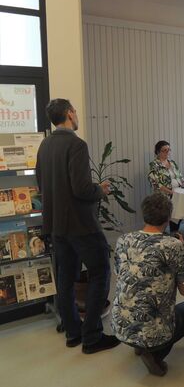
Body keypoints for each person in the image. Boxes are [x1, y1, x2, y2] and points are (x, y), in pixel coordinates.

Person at [36, 99, 119, 354]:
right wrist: (100, 190)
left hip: (56, 225)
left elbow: (41, 183)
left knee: (66, 277)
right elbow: (82, 189)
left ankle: (73, 333)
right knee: (100, 271)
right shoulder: (76, 144)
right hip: (81, 224)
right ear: (70, 113)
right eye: (75, 111)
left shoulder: (45, 144)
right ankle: (92, 336)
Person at [112, 193, 184, 376]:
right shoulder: (172, 245)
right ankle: (155, 354)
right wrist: (181, 253)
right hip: (155, 329)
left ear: (143, 214)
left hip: (120, 324)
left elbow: (121, 275)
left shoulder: (124, 240)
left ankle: (137, 344)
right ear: (169, 217)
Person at [148, 140, 184, 231]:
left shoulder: (172, 163)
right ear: (158, 152)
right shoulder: (154, 165)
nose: (167, 152)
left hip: (178, 192)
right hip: (164, 195)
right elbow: (157, 184)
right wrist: (171, 192)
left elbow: (180, 177)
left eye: (169, 150)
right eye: (164, 150)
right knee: (168, 215)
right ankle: (169, 232)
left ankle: (177, 231)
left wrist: (183, 188)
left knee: (181, 212)